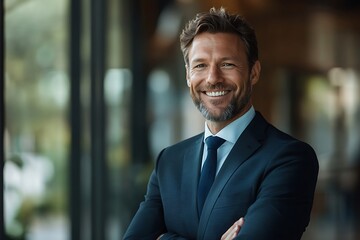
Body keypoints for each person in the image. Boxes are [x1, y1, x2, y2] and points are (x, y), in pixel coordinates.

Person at [123, 7, 319, 240]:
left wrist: (164, 238)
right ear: (188, 75)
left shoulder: (289, 158)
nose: (213, 78)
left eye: (227, 64)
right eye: (200, 65)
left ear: (254, 72)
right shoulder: (170, 161)